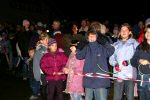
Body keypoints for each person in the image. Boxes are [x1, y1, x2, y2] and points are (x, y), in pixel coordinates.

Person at [75, 29, 115, 100]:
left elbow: (111, 50)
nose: (92, 38)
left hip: (100, 79)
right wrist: (79, 48)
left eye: (93, 36)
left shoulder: (101, 47)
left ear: (97, 37)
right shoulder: (86, 48)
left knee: (101, 98)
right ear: (87, 38)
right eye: (90, 36)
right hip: (89, 78)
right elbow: (79, 56)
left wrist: (105, 43)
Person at [109, 23, 139, 100]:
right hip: (118, 75)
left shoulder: (134, 43)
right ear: (119, 32)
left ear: (130, 32)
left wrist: (129, 62)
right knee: (117, 97)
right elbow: (111, 59)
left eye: (126, 30)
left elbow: (138, 56)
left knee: (130, 97)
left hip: (129, 75)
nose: (124, 32)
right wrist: (115, 64)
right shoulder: (115, 44)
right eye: (122, 30)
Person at [127, 25, 150, 100]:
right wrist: (139, 60)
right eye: (147, 31)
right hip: (141, 80)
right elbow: (133, 61)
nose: (148, 33)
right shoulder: (140, 47)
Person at [33, 32, 49, 100]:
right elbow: (36, 63)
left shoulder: (49, 48)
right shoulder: (39, 50)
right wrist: (37, 75)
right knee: (44, 87)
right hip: (43, 73)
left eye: (47, 39)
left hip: (50, 72)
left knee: (49, 87)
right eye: (45, 40)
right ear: (41, 41)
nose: (47, 41)